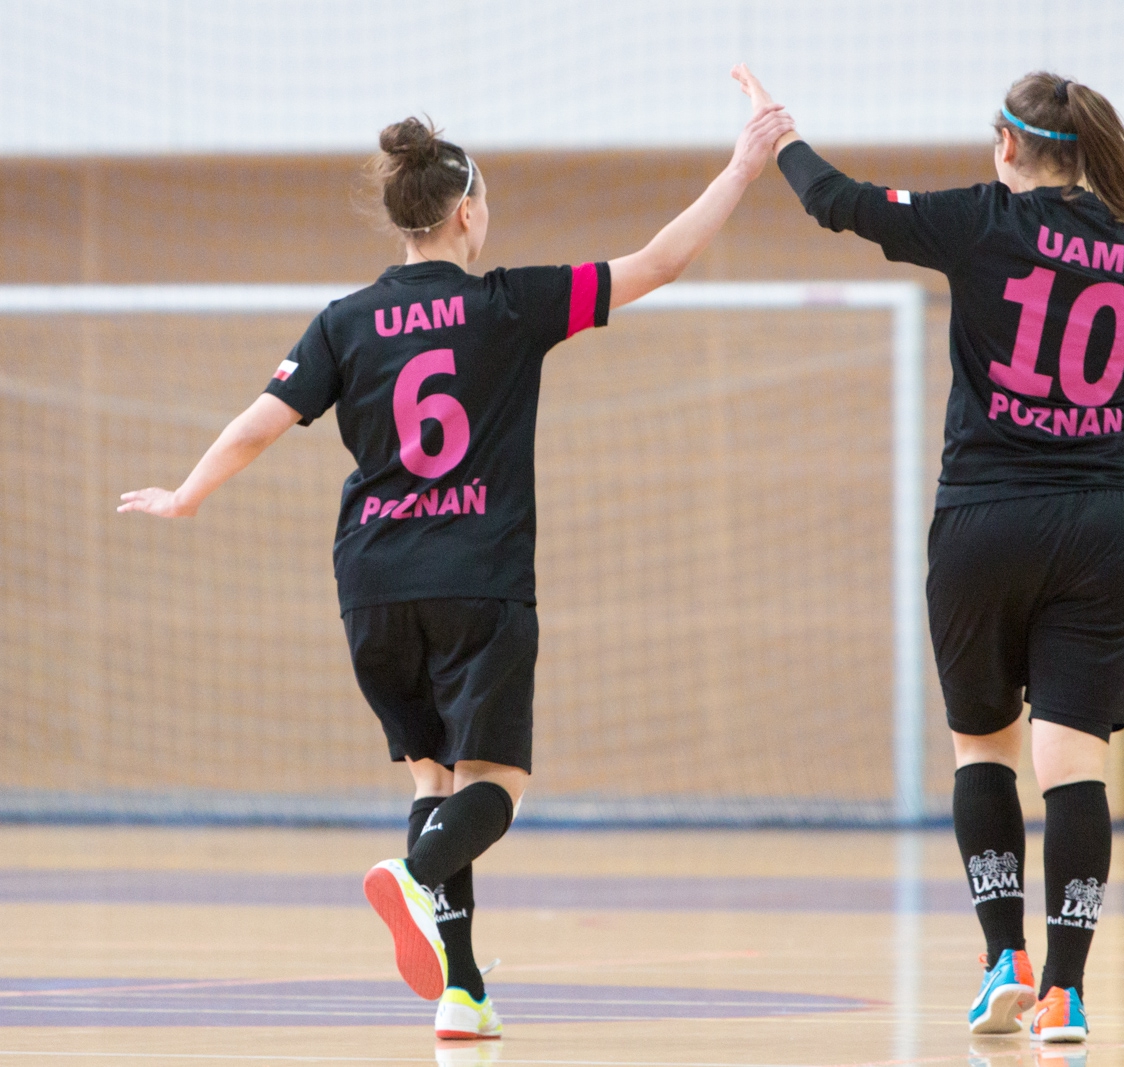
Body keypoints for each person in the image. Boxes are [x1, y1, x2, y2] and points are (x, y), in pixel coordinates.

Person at [118, 98, 794, 1042]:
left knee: (432, 779)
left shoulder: (343, 322)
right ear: (467, 212)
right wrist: (739, 171)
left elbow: (258, 422)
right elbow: (658, 262)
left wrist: (186, 494)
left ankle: (462, 989)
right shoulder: (511, 304)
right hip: (478, 577)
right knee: (495, 786)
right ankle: (415, 875)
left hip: (372, 582)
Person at [733, 64, 1124, 1045]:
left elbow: (836, 201)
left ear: (1005, 144)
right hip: (1099, 528)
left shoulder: (975, 220)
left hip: (982, 523)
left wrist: (776, 135)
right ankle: (1066, 990)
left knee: (984, 747)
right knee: (1072, 761)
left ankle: (1001, 954)